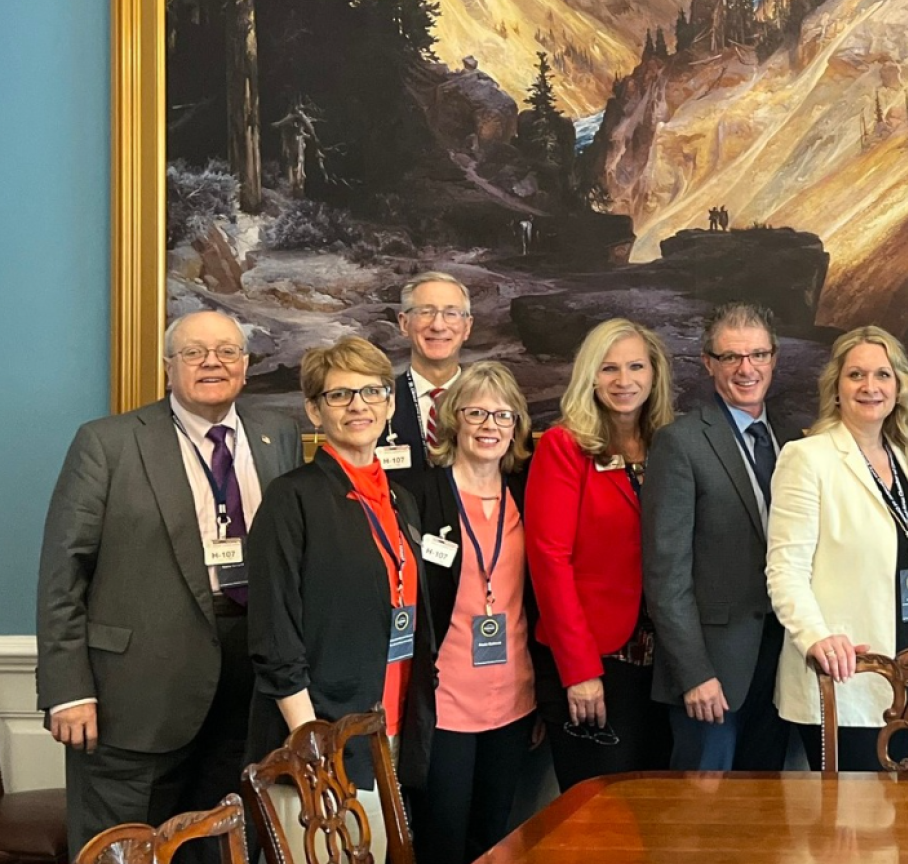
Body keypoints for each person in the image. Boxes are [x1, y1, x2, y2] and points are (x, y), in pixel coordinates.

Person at [37, 311, 301, 856]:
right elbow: (64, 570)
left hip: (246, 685)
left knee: (222, 844)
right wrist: (67, 689)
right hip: (135, 697)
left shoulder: (279, 436)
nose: (213, 362)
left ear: (246, 367)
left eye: (227, 352)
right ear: (168, 368)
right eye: (195, 352)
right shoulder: (107, 444)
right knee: (128, 848)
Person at [247, 335, 435, 792]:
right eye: (339, 394)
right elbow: (275, 636)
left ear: (389, 406)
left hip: (391, 722)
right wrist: (310, 743)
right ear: (315, 411)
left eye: (373, 391)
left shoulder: (400, 500)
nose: (359, 406)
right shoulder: (291, 498)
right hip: (323, 740)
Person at [766, 326, 908, 772]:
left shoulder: (907, 459)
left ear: (899, 386)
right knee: (856, 831)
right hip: (848, 677)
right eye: (856, 375)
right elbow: (785, 569)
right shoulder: (808, 458)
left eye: (882, 374)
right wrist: (815, 639)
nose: (870, 387)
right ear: (837, 387)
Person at [644, 303, 802, 771]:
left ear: (774, 359)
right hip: (712, 676)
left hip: (779, 666)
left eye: (757, 354)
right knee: (703, 820)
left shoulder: (791, 440)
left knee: (763, 814)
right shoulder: (681, 443)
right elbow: (665, 575)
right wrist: (694, 674)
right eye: (731, 357)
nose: (746, 369)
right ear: (708, 362)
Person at [527, 318, 674, 788]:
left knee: (658, 814)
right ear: (589, 376)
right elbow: (549, 563)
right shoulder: (564, 446)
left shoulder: (668, 446)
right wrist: (580, 670)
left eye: (635, 366)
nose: (624, 381)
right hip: (597, 664)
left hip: (661, 669)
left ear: (654, 375)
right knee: (602, 819)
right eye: (609, 368)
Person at [408, 361, 538, 864]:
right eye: (477, 412)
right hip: (444, 704)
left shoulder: (525, 493)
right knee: (441, 840)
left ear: (517, 428)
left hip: (513, 698)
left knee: (492, 839)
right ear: (452, 421)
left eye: (503, 416)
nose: (490, 426)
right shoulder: (421, 495)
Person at [380, 272, 474, 480]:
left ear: (467, 327)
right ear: (404, 324)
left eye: (451, 313)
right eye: (426, 312)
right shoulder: (377, 405)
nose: (438, 325)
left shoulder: (496, 407)